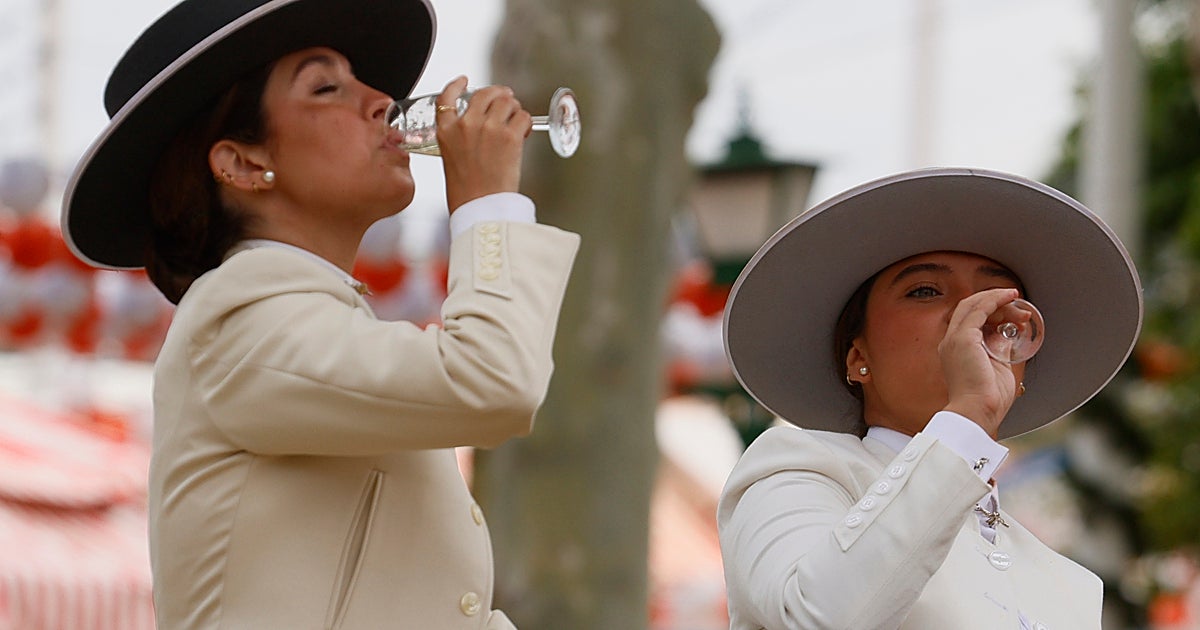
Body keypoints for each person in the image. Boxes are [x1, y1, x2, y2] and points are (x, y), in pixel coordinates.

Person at [59, 0, 579, 628]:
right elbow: (491, 378)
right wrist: (486, 206)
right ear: (244, 164)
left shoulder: (317, 322)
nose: (382, 100)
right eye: (327, 87)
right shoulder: (237, 320)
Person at [717, 167, 1142, 629]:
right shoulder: (799, 472)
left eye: (995, 298)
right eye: (925, 291)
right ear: (859, 355)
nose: (971, 314)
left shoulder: (1068, 583)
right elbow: (817, 618)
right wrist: (966, 421)